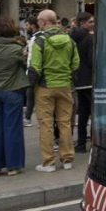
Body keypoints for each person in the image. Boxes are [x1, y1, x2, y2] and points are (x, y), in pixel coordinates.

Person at [29, 9, 79, 172]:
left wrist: (32, 86)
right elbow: (76, 64)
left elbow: (35, 67)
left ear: (44, 22)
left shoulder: (40, 40)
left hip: (45, 87)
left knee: (46, 124)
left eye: (38, 20)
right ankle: (67, 159)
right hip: (65, 86)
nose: (37, 23)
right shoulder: (69, 40)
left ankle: (48, 162)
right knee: (65, 123)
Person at [0, 16, 29, 176]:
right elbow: (24, 64)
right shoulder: (15, 49)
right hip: (12, 89)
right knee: (12, 128)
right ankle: (13, 165)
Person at [70, 12, 95, 153]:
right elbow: (92, 60)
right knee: (94, 112)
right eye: (90, 22)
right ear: (83, 23)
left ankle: (80, 144)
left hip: (79, 80)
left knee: (83, 114)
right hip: (90, 79)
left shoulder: (72, 38)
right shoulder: (90, 39)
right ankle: (93, 142)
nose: (93, 24)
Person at [23, 16, 40, 127]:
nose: (26, 27)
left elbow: (33, 55)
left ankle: (28, 117)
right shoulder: (33, 37)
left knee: (31, 94)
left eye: (27, 25)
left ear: (33, 25)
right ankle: (28, 117)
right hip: (32, 69)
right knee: (31, 95)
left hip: (33, 69)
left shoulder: (36, 38)